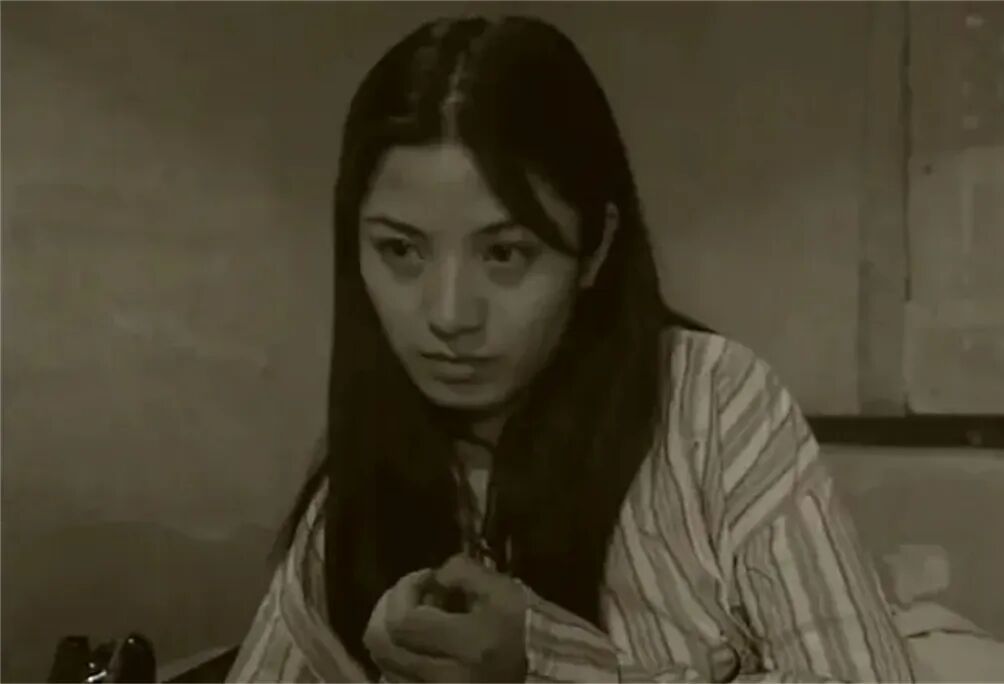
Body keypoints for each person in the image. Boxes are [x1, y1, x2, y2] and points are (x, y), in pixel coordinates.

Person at [228, 15, 915, 683]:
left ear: (595, 247)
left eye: (505, 253)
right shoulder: (354, 493)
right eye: (400, 250)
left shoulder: (710, 405)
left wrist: (544, 665)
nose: (448, 315)